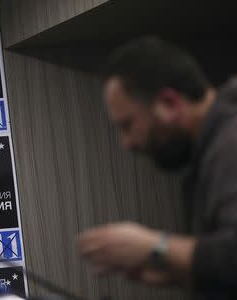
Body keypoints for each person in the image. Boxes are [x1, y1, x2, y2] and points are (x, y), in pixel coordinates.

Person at [77, 36, 237, 299]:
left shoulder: (231, 142)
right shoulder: (208, 148)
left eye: (128, 125)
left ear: (170, 103)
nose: (127, 144)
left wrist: (157, 247)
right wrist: (177, 271)